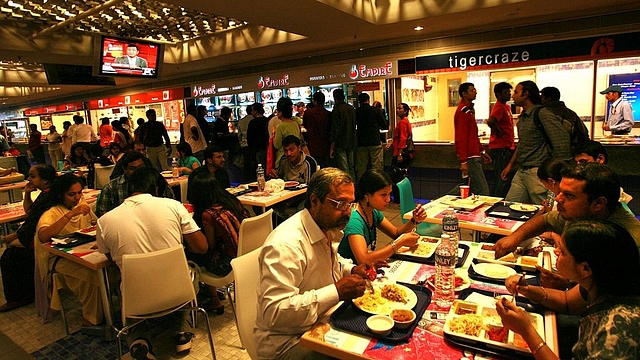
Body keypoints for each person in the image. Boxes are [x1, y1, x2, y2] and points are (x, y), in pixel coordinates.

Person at [255, 168, 374, 360]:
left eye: (350, 204)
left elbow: (329, 262)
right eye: (340, 204)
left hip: (322, 322)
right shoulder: (286, 245)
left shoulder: (325, 225)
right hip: (288, 343)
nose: (347, 213)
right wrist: (336, 291)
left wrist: (352, 269)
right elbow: (274, 313)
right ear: (314, 200)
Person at [96, 166, 207, 357]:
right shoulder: (173, 206)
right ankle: (182, 332)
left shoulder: (105, 221)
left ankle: (138, 339)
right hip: (177, 292)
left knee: (125, 282)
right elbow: (201, 247)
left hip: (136, 298)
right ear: (156, 190)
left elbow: (112, 260)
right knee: (191, 270)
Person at [496, 220, 640, 359]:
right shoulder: (601, 285)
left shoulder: (619, 329)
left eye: (563, 251)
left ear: (585, 269)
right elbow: (567, 301)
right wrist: (526, 289)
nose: (556, 252)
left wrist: (526, 331)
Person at [494, 163, 640, 259]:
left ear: (598, 203)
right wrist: (515, 237)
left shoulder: (628, 243)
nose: (558, 199)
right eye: (561, 192)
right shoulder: (577, 213)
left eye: (569, 195)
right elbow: (545, 220)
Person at [35, 174, 102, 326]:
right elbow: (43, 236)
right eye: (71, 194)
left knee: (111, 266)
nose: (77, 197)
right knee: (91, 274)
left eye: (79, 193)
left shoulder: (82, 205)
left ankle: (106, 307)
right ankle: (92, 317)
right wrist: (70, 215)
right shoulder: (52, 212)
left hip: (82, 251)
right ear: (61, 194)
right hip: (59, 258)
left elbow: (96, 223)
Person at [186, 172, 249, 313]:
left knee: (192, 252)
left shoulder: (209, 214)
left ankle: (213, 299)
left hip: (227, 264)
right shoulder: (232, 202)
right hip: (246, 256)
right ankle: (209, 293)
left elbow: (210, 246)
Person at [501, 80, 571, 204]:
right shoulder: (523, 117)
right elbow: (522, 143)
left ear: (526, 94)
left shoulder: (542, 113)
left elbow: (561, 141)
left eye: (516, 92)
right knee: (509, 206)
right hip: (522, 170)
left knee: (545, 211)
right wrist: (510, 164)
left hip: (537, 172)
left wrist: (558, 172)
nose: (513, 96)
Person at [338, 169, 425, 264]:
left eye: (389, 194)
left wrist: (414, 220)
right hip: (347, 272)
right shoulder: (354, 220)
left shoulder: (373, 211)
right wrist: (400, 242)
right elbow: (363, 259)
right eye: (383, 194)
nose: (388, 199)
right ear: (367, 195)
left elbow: (396, 233)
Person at [0, 164, 56, 312]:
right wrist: (27, 194)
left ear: (45, 180)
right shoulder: (47, 192)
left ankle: (18, 297)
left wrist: (13, 236)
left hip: (41, 238)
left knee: (9, 255)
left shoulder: (49, 195)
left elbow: (33, 218)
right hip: (35, 234)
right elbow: (31, 213)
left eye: (33, 176)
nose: (29, 179)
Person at [96, 151, 174, 217]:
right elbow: (104, 214)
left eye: (141, 167)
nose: (138, 171)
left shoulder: (157, 181)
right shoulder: (111, 188)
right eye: (133, 169)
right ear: (124, 169)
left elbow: (172, 204)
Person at [454, 82, 490, 195]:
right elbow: (461, 137)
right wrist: (463, 161)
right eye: (472, 90)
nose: (475, 92)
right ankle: (444, 200)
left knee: (469, 187)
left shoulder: (469, 110)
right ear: (464, 94)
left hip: (474, 154)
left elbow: (473, 134)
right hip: (471, 156)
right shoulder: (463, 111)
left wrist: (482, 150)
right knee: (482, 190)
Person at [572, 140, 633, 205]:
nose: (578, 167)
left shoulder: (621, 198)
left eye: (583, 162)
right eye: (577, 163)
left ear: (600, 159)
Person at [486, 82, 515, 198]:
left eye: (509, 92)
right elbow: (491, 121)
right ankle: (497, 203)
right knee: (501, 178)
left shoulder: (506, 106)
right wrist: (499, 132)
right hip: (500, 149)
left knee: (504, 179)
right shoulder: (498, 106)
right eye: (505, 92)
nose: (509, 94)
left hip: (506, 146)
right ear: (498, 94)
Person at [354, 93, 386, 181]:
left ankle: (362, 185)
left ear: (359, 101)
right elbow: (384, 125)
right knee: (376, 166)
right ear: (368, 100)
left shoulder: (356, 111)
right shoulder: (375, 110)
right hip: (374, 141)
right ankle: (377, 184)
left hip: (361, 142)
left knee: (361, 166)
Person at [387, 103, 414, 202]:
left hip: (399, 154)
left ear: (405, 111)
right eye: (397, 108)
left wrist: (399, 153)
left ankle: (398, 200)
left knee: (396, 177)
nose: (398, 110)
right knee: (401, 177)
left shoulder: (402, 123)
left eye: (400, 108)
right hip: (403, 153)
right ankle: (401, 199)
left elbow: (403, 138)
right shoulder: (406, 122)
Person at [330, 88, 357, 179]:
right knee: (351, 167)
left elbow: (335, 130)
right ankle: (353, 186)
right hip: (352, 141)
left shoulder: (336, 110)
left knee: (344, 168)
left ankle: (347, 186)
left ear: (335, 98)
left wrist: (332, 146)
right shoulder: (351, 108)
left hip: (341, 143)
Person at [303, 92, 332, 168]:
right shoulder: (328, 114)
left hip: (312, 146)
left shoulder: (308, 113)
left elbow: (305, 126)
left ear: (314, 101)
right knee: (326, 168)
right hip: (325, 146)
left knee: (314, 167)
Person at [274, 97, 304, 163]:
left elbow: (277, 145)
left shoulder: (280, 127)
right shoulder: (295, 123)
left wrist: (273, 136)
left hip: (284, 158)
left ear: (280, 112)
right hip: (296, 157)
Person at [247, 102, 269, 174]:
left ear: (256, 111)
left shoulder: (252, 122)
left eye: (252, 110)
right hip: (266, 148)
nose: (251, 112)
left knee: (258, 169)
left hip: (256, 150)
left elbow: (249, 138)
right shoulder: (267, 120)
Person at [237, 104, 254, 182]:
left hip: (244, 145)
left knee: (246, 165)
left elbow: (239, 135)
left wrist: (241, 143)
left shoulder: (241, 121)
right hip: (253, 145)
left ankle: (247, 181)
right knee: (254, 164)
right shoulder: (254, 120)